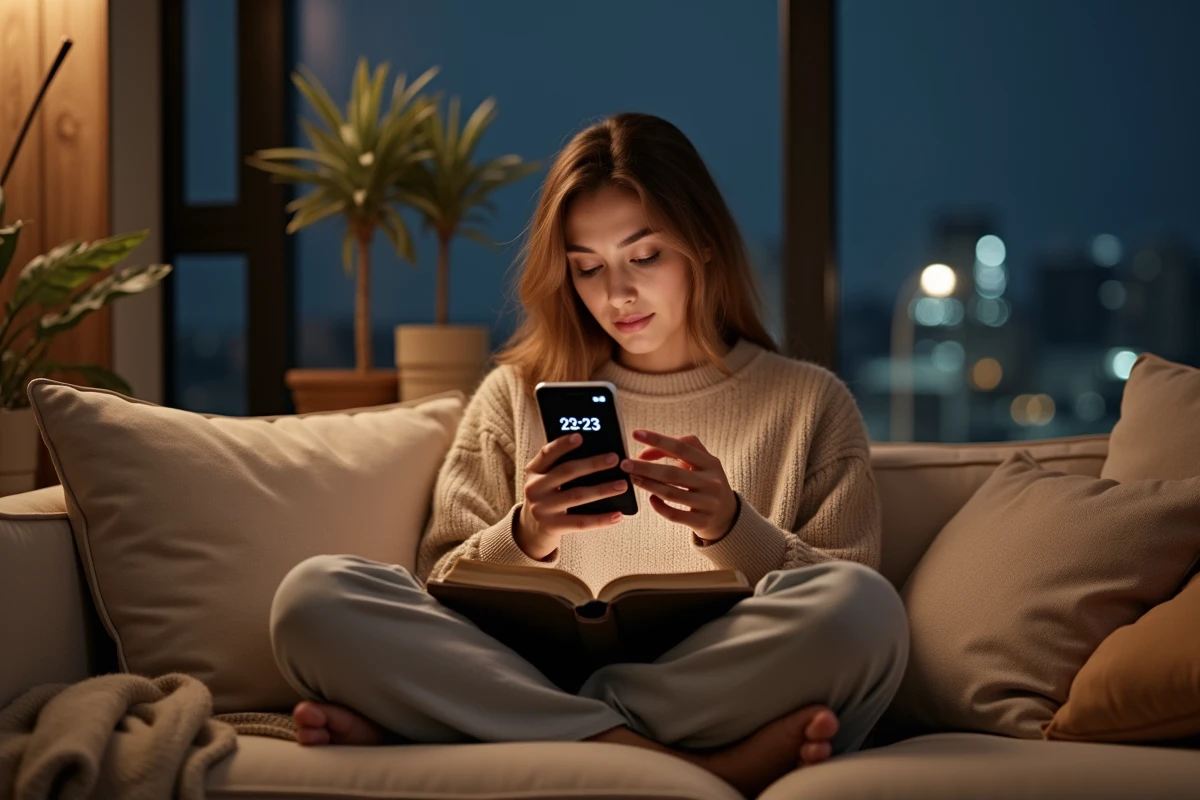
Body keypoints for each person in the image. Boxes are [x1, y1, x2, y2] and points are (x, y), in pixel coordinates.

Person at [269, 112, 909, 799]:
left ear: (704, 244)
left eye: (645, 256)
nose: (617, 294)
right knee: (313, 598)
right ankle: (681, 764)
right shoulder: (515, 395)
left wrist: (733, 527)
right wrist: (526, 534)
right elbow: (437, 581)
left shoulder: (810, 403)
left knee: (865, 611)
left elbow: (840, 596)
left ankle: (497, 724)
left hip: (686, 681)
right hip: (526, 668)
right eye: (587, 268)